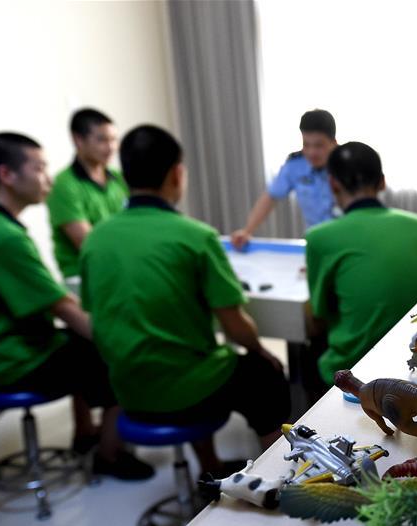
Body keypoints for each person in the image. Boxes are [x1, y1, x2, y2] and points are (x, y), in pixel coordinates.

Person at [80, 125, 291, 476]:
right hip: (187, 393)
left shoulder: (96, 239)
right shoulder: (196, 237)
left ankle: (210, 466)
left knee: (192, 358)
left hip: (127, 391)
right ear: (177, 174)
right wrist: (260, 350)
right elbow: (235, 326)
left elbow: (96, 314)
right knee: (264, 377)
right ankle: (280, 479)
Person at [0, 133, 152, 479]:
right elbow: (63, 307)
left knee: (80, 342)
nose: (48, 180)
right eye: (39, 169)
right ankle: (110, 455)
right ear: (6, 175)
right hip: (8, 362)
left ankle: (84, 433)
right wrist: (124, 339)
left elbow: (48, 298)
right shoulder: (2, 236)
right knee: (111, 354)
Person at [305, 142, 417, 388]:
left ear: (333, 184)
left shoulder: (319, 237)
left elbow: (319, 318)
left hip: (355, 373)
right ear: (382, 182)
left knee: (311, 348)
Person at [231, 109, 338, 248]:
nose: (311, 152)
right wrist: (247, 231)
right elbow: (270, 197)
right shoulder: (295, 165)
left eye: (318, 146)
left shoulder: (349, 164)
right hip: (315, 242)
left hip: (347, 240)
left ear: (333, 143)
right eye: (306, 145)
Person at [46, 108, 127, 279]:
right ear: (78, 140)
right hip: (84, 277)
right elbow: (89, 244)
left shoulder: (120, 178)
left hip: (122, 270)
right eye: (102, 140)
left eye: (114, 139)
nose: (111, 147)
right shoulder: (63, 185)